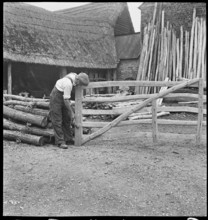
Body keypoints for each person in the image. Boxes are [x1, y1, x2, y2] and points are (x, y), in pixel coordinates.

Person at [49, 72, 89, 149]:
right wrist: (72, 113)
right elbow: (66, 101)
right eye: (80, 84)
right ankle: (60, 142)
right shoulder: (68, 84)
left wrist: (70, 114)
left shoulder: (75, 76)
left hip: (63, 95)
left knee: (67, 118)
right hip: (56, 96)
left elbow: (66, 99)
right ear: (77, 80)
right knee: (57, 119)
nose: (79, 86)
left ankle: (68, 138)